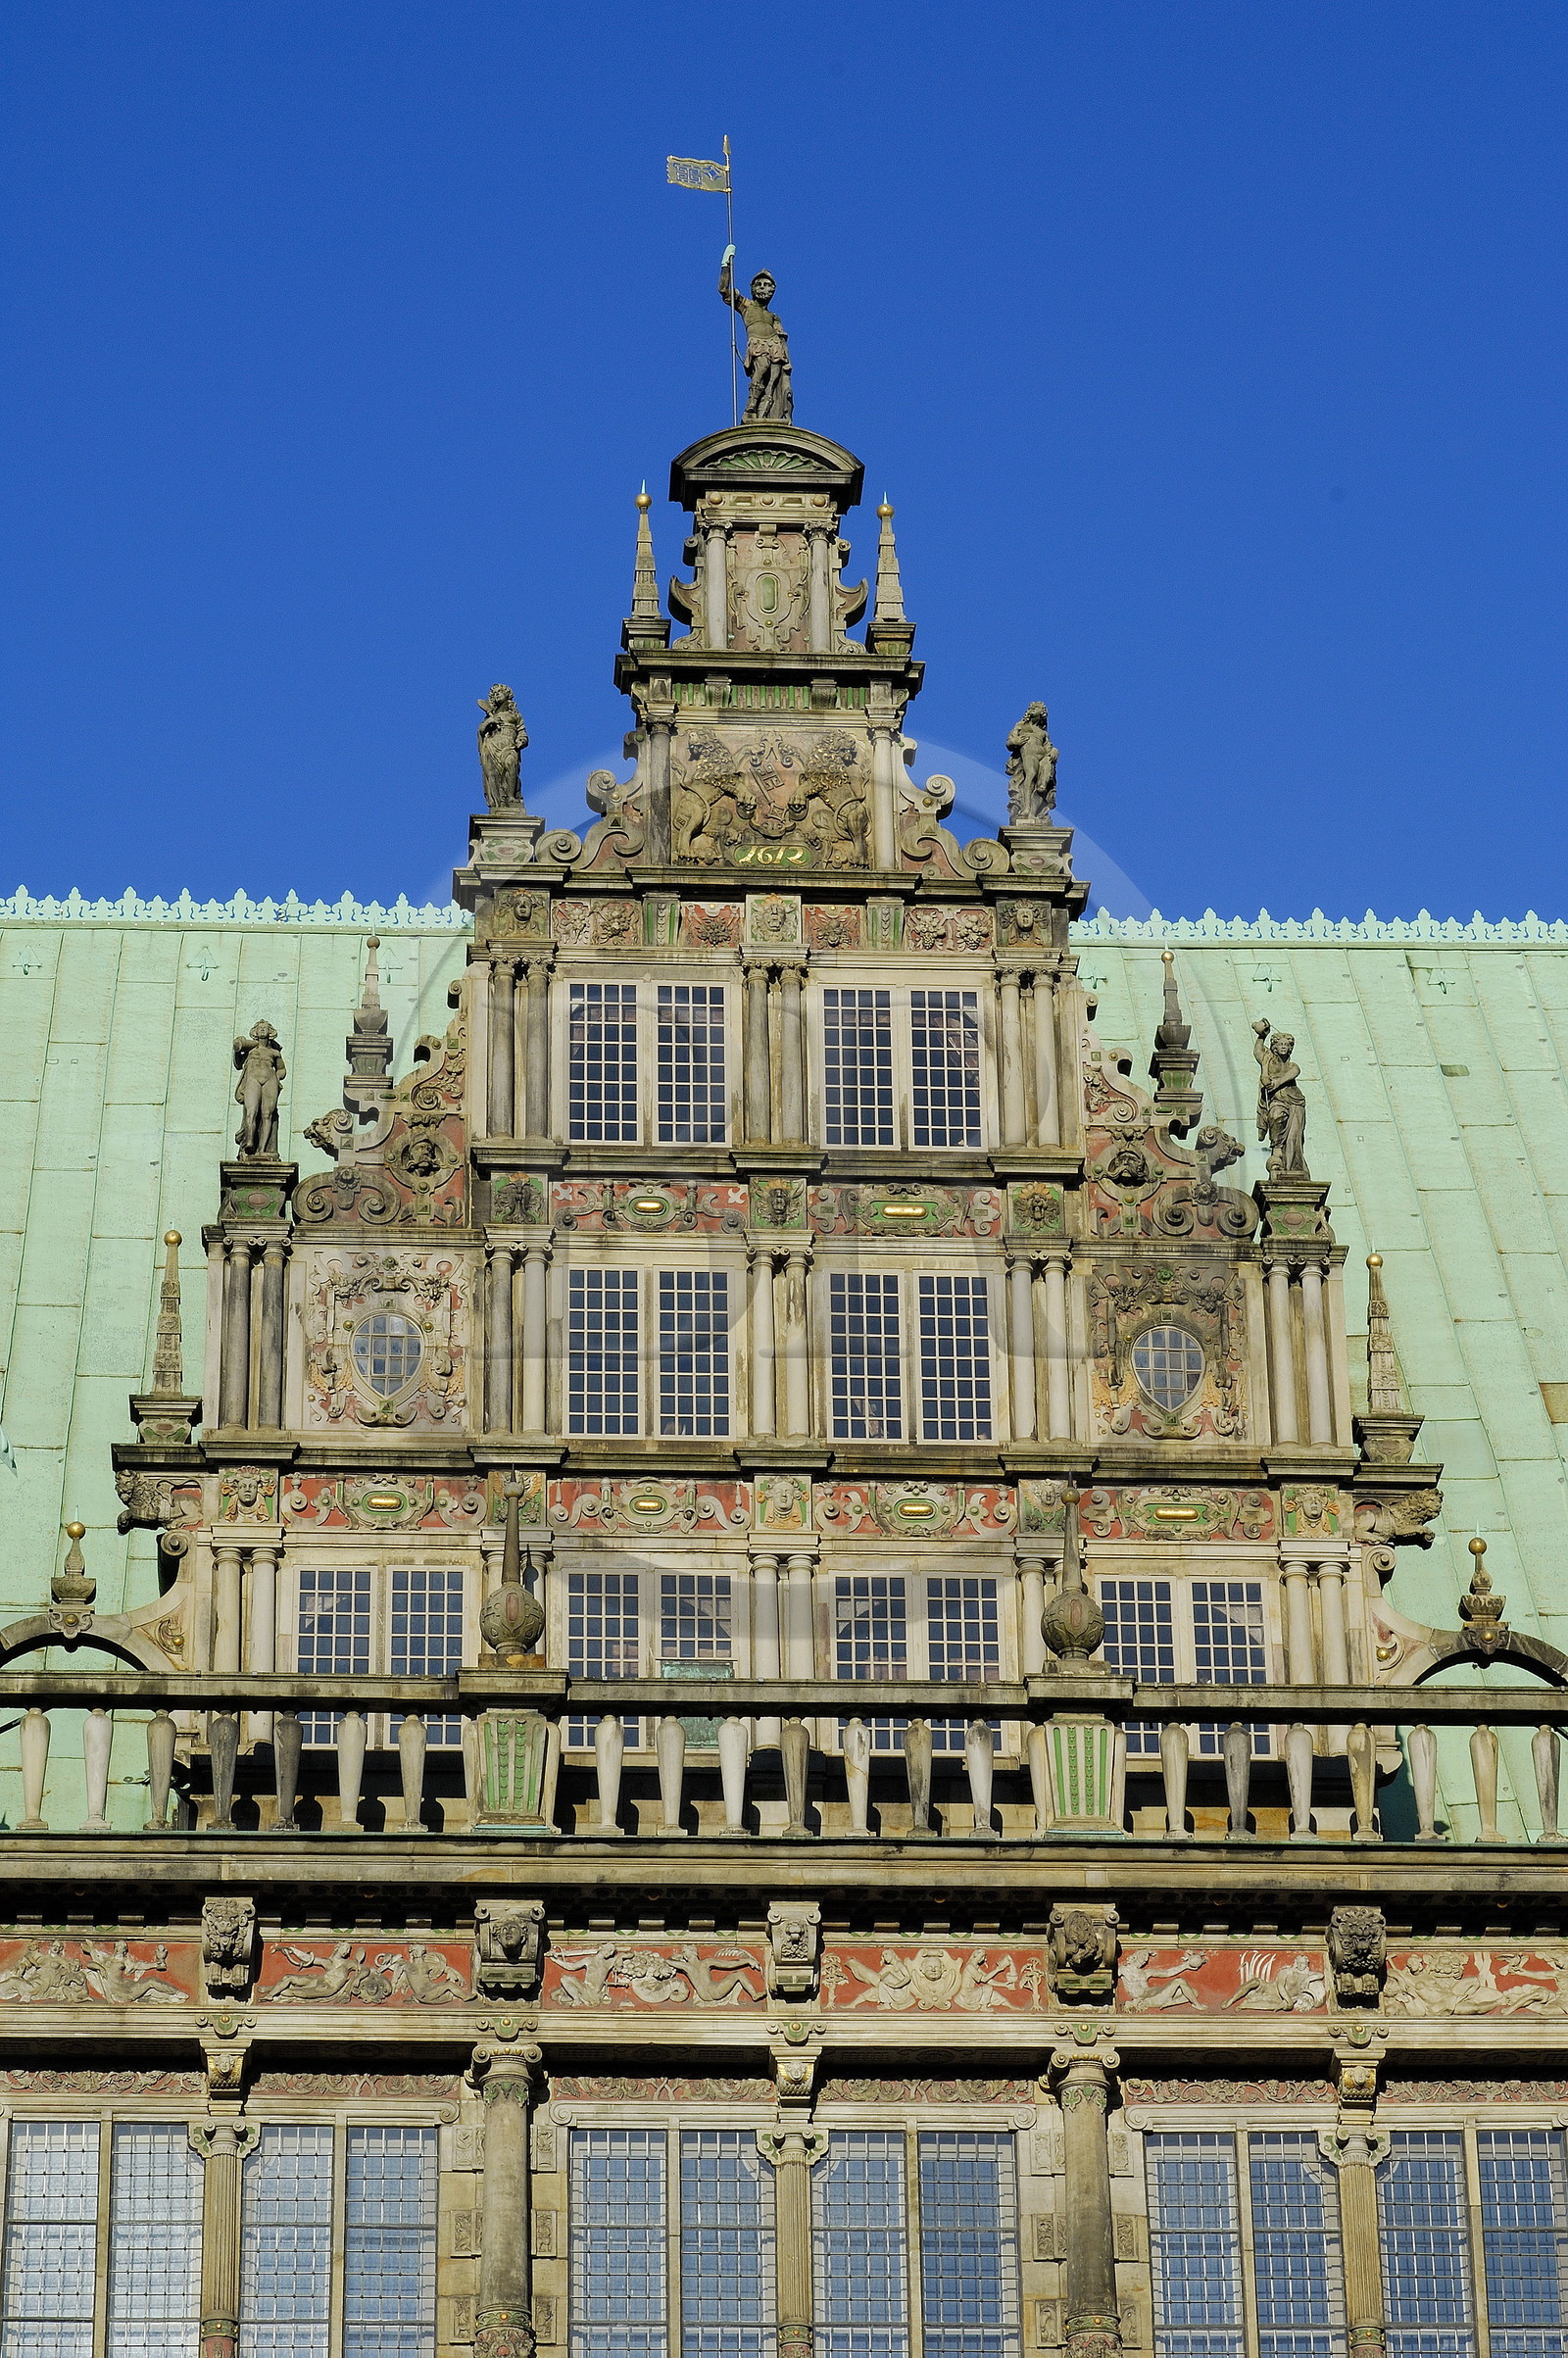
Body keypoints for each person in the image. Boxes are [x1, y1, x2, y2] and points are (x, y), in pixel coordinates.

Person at [719, 249, 793, 422]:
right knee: (761, 370)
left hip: (774, 346)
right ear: (752, 288)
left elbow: (782, 337)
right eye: (759, 284)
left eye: (766, 285)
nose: (762, 288)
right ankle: (750, 406)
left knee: (774, 381)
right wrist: (725, 266)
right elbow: (724, 290)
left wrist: (787, 360)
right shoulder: (747, 306)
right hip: (757, 345)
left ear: (773, 290)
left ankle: (765, 413)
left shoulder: (774, 316)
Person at [233, 1020, 286, 1157]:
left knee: (267, 1114)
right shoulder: (251, 1050)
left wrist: (276, 1078)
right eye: (260, 1028)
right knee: (251, 1111)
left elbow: (282, 1070)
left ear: (270, 1032)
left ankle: (262, 1149)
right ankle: (249, 1141)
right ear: (255, 1032)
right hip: (253, 1079)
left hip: (269, 1080)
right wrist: (237, 1049)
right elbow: (238, 1064)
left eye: (265, 1028)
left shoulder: (274, 1053)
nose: (263, 1030)